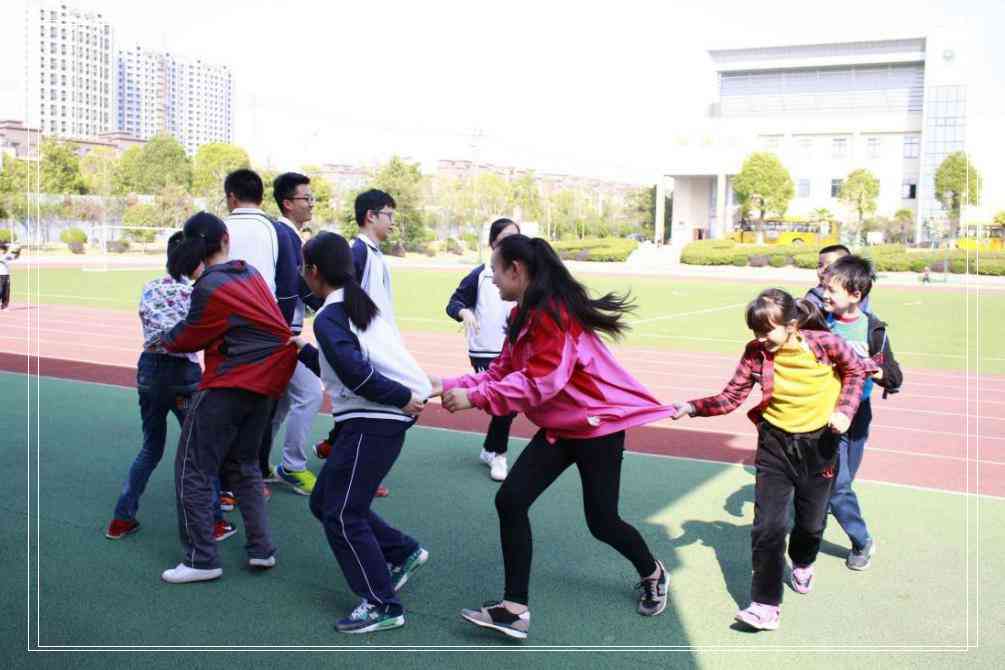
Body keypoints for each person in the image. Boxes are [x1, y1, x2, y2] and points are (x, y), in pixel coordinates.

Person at [431, 234, 675, 641]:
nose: (492, 279)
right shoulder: (521, 316)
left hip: (597, 428)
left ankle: (653, 572)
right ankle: (514, 609)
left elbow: (538, 383)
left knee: (602, 522)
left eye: (495, 270)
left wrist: (473, 398)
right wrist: (446, 383)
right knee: (510, 500)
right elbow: (502, 371)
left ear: (516, 270)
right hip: (561, 428)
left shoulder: (554, 317)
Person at [669, 288, 869, 631]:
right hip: (775, 445)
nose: (760, 338)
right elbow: (731, 396)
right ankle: (765, 605)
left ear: (792, 325)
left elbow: (856, 371)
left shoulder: (825, 344)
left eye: (767, 331)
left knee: (810, 523)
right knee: (768, 527)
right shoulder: (756, 352)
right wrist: (692, 407)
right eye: (755, 331)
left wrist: (845, 412)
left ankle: (803, 562)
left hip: (819, 445)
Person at [292, 232, 430, 633]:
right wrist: (303, 351)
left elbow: (357, 373)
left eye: (303, 265)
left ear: (313, 271)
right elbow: (345, 367)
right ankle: (402, 551)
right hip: (377, 418)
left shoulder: (331, 316)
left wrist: (401, 397)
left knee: (341, 513)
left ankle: (381, 603)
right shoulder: (357, 306)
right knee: (324, 501)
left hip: (375, 420)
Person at [154, 212, 297, 584]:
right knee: (245, 466)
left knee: (193, 469)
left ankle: (201, 559)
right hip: (266, 385)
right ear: (225, 240)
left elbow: (191, 335)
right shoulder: (250, 274)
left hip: (228, 384)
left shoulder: (209, 286)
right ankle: (261, 549)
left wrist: (162, 339)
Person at [105, 233, 234, 543]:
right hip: (183, 377)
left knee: (151, 448)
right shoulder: (197, 292)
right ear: (196, 261)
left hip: (149, 371)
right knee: (201, 451)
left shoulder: (150, 286)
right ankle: (214, 522)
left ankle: (121, 519)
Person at [821, 255, 902, 570]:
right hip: (822, 412)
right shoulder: (818, 321)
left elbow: (894, 377)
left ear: (855, 295)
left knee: (840, 487)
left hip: (856, 415)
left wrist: (874, 370)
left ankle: (861, 539)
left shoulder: (874, 330)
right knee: (831, 484)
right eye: (824, 287)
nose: (825, 294)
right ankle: (846, 538)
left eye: (832, 290)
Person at [263, 172, 325, 496]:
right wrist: (327, 304)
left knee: (280, 404)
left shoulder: (289, 236)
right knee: (310, 392)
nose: (311, 204)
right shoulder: (284, 236)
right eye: (306, 198)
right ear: (288, 203)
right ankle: (292, 466)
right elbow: (291, 287)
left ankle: (258, 463)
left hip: (283, 333)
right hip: (283, 336)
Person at [444, 218, 520, 481]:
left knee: (508, 402)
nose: (510, 245)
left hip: (513, 351)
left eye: (515, 238)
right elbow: (454, 303)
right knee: (505, 403)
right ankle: (498, 454)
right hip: (485, 350)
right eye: (504, 240)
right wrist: (464, 312)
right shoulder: (481, 275)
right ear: (492, 244)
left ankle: (490, 448)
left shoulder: (523, 275)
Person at [350, 189, 400, 497]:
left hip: (382, 344)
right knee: (375, 414)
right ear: (371, 216)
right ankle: (360, 475)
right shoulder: (358, 252)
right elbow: (345, 299)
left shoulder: (374, 253)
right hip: (368, 348)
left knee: (377, 413)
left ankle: (346, 458)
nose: (392, 222)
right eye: (389, 215)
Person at [805, 244, 870, 312]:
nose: (822, 271)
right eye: (820, 265)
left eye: (830, 266)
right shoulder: (813, 298)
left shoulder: (858, 292)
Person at [0, 242, 12, 310]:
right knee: (0, 290)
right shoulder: (2, 256)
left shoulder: (7, 255)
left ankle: (4, 306)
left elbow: (12, 257)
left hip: (7, 274)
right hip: (0, 274)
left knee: (6, 291)